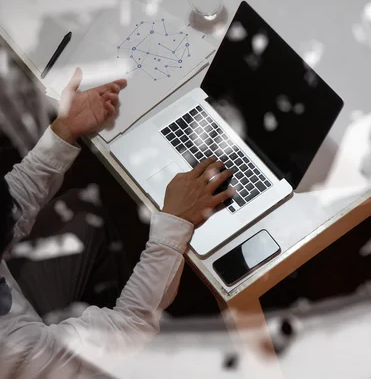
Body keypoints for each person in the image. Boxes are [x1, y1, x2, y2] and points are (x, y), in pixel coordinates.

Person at [0, 68, 235, 378]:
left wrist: (64, 131)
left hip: (18, 310)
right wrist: (174, 225)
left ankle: (108, 296)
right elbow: (129, 327)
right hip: (34, 358)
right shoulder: (12, 349)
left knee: (83, 216)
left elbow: (8, 205)